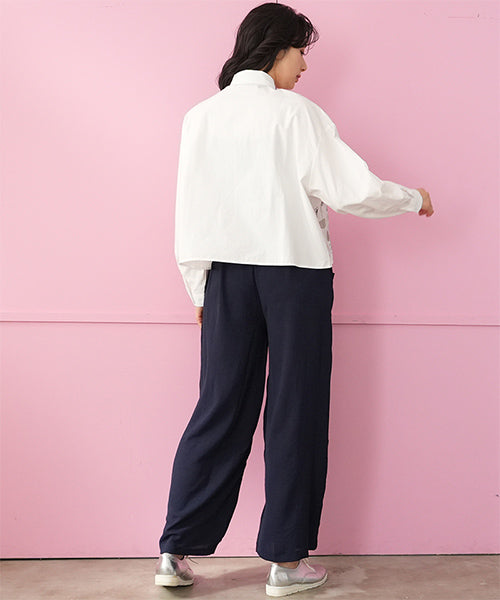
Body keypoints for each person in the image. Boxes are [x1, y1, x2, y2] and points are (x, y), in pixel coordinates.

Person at [155, 2, 434, 597]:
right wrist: (413, 198)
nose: (305, 66)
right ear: (276, 49)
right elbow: (349, 188)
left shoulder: (201, 116)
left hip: (225, 277)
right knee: (296, 407)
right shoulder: (297, 114)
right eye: (301, 52)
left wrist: (198, 286)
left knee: (219, 405)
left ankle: (175, 552)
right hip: (295, 275)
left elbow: (191, 210)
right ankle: (285, 563)